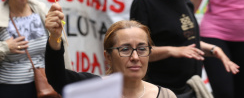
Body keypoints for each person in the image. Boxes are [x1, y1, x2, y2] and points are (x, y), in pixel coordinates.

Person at [130, 0, 239, 97]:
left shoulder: (184, 1)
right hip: (160, 91)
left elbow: (186, 44)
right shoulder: (144, 3)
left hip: (188, 89)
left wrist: (213, 50)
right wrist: (171, 51)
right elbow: (136, 51)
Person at [45, 9, 177, 98]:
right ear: (108, 56)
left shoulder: (166, 95)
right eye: (125, 49)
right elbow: (57, 76)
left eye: (142, 49)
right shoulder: (94, 90)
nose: (135, 57)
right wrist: (55, 37)